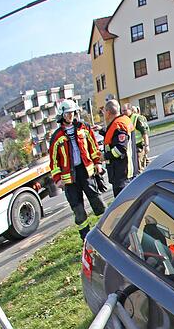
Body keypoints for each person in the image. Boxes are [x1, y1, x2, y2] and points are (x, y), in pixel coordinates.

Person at [48, 98, 105, 240]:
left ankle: (107, 229)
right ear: (62, 115)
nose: (70, 115)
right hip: (69, 179)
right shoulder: (56, 137)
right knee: (78, 210)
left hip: (86, 172)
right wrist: (57, 178)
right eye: (67, 113)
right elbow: (53, 160)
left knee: (97, 201)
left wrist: (97, 162)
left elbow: (93, 147)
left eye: (72, 112)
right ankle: (86, 238)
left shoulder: (84, 128)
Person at [102, 100, 134, 197]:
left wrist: (105, 156)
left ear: (108, 112)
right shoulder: (122, 121)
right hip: (123, 172)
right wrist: (102, 131)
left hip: (121, 173)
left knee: (123, 205)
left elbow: (120, 148)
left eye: (103, 111)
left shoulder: (118, 125)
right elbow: (115, 138)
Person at [128, 104, 150, 170]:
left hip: (139, 146)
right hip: (136, 147)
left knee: (140, 168)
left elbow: (145, 132)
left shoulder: (137, 119)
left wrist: (147, 145)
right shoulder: (134, 118)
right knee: (144, 163)